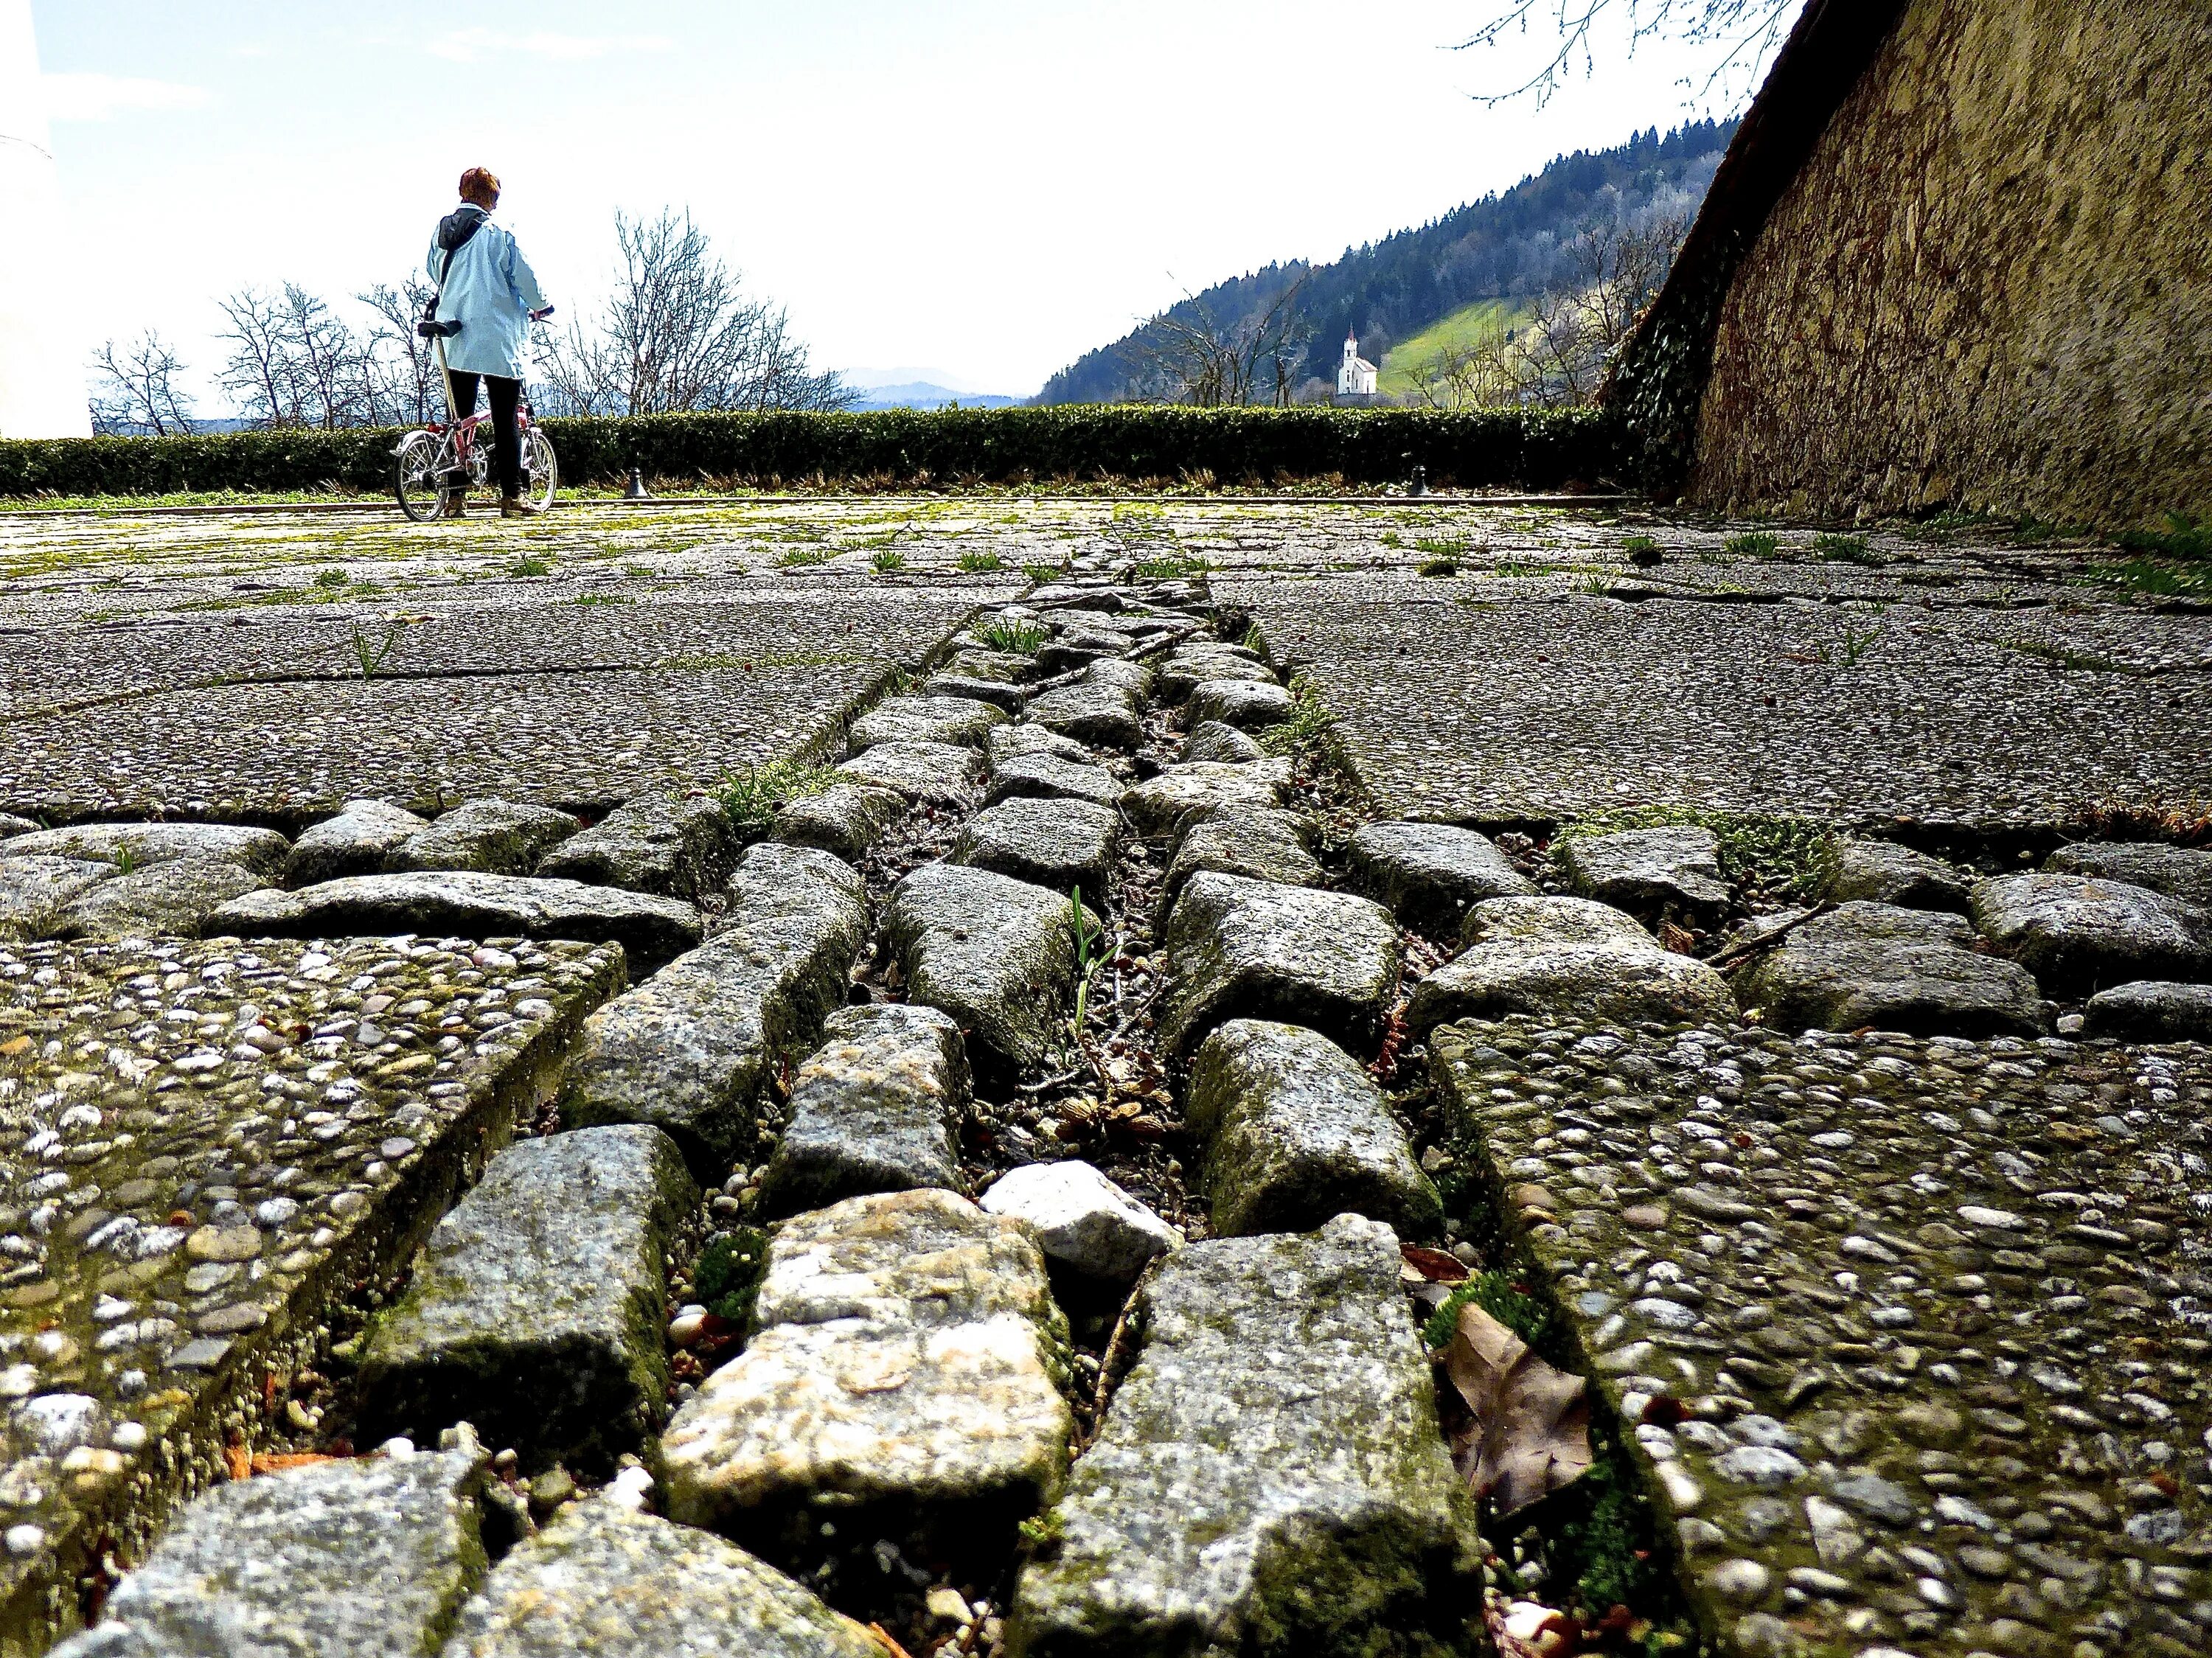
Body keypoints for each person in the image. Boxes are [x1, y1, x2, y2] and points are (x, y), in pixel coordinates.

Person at [426, 167, 552, 518]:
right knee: (505, 415)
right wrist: (541, 306)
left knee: (460, 417)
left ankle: (456, 499)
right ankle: (512, 496)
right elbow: (524, 277)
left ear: (463, 192)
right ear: (492, 198)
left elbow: (434, 271)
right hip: (497, 337)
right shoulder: (500, 234)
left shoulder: (442, 232)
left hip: (455, 333)